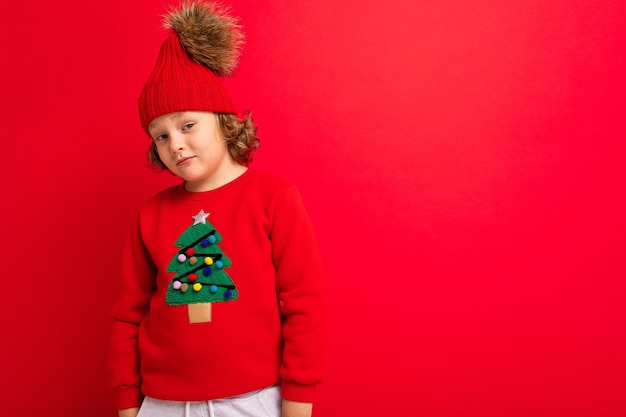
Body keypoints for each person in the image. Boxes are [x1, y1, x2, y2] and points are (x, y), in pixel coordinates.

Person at [107, 2, 327, 417]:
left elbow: (305, 305)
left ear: (225, 122)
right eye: (160, 136)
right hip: (159, 404)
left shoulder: (274, 197)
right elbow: (127, 316)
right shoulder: (150, 215)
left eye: (187, 125)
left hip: (254, 401)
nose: (175, 144)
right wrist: (128, 405)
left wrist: (297, 403)